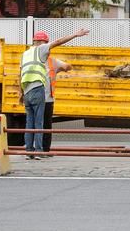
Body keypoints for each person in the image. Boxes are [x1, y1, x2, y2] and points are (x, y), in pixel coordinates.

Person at [19, 29, 89, 160]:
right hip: (38, 89)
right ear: (41, 42)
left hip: (26, 90)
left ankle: (29, 151)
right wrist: (75, 34)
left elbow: (20, 74)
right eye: (46, 43)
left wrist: (21, 93)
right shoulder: (42, 50)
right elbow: (58, 42)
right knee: (39, 122)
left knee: (29, 123)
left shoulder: (25, 54)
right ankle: (39, 151)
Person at [41, 53, 72, 157]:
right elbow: (68, 67)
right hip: (47, 99)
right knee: (46, 125)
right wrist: (58, 69)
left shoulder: (30, 58)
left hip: (33, 97)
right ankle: (44, 150)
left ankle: (32, 150)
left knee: (34, 124)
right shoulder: (52, 61)